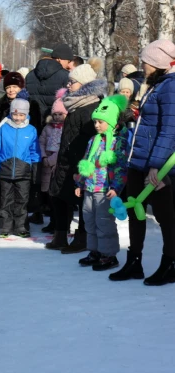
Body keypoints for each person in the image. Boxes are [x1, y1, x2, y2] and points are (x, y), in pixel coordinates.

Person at [109, 40, 175, 285]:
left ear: (157, 61)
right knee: (134, 210)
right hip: (140, 161)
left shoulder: (171, 86)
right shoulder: (157, 84)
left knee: (165, 217)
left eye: (146, 60)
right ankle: (133, 261)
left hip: (158, 166)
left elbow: (170, 129)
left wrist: (156, 165)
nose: (142, 64)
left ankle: (170, 263)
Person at [47, 58, 107, 254]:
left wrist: (80, 166)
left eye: (72, 81)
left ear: (85, 84)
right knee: (58, 196)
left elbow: (90, 141)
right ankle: (60, 234)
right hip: (67, 160)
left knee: (82, 203)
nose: (68, 85)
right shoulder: (75, 105)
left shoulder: (90, 107)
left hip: (81, 163)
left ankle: (82, 237)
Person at [75, 95, 128, 271]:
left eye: (101, 122)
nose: (97, 125)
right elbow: (86, 161)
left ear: (112, 122)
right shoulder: (93, 140)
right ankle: (95, 251)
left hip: (105, 190)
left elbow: (121, 167)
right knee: (89, 220)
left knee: (104, 222)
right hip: (90, 187)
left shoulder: (117, 142)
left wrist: (116, 187)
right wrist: (80, 183)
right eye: (95, 122)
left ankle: (109, 254)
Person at [0, 97, 40, 238]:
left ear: (26, 114)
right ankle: (5, 227)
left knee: (22, 201)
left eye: (21, 115)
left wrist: (35, 171)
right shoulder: (4, 128)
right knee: (5, 200)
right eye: (15, 114)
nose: (18, 118)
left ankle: (21, 227)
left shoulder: (31, 130)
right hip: (5, 171)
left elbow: (34, 152)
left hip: (23, 172)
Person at [25, 44, 73, 128]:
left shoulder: (30, 75)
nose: (69, 65)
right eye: (68, 61)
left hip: (31, 123)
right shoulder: (66, 76)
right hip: (55, 125)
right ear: (59, 59)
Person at [39, 91, 67, 234]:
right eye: (55, 114)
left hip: (58, 163)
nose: (57, 117)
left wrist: (51, 159)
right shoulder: (48, 128)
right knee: (48, 193)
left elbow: (63, 147)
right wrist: (44, 157)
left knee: (57, 194)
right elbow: (41, 142)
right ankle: (51, 220)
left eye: (60, 114)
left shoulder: (66, 129)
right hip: (47, 165)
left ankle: (59, 222)